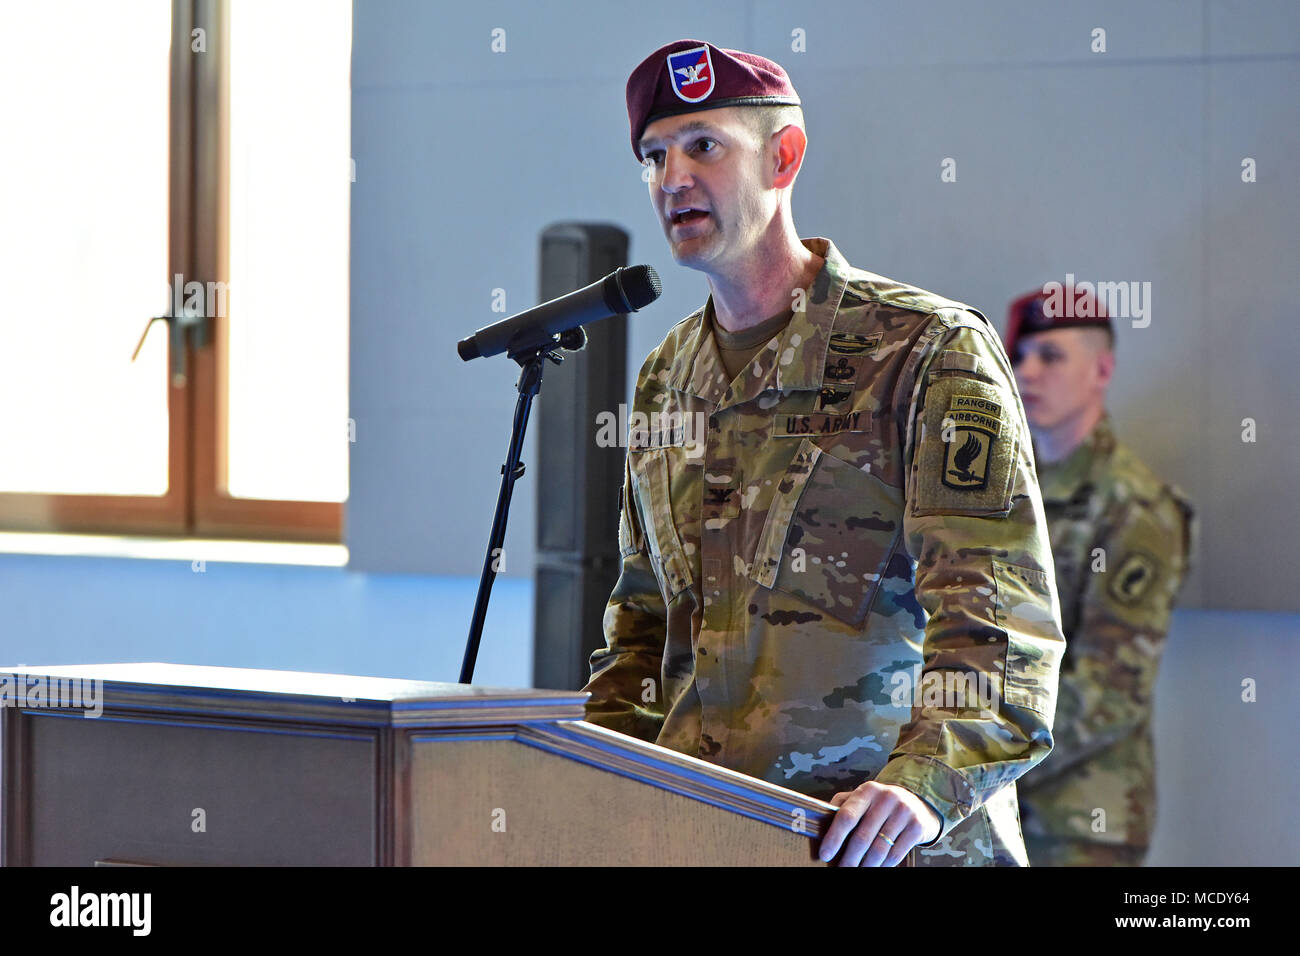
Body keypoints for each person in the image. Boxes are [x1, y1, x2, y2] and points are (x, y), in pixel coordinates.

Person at [582, 38, 1066, 867]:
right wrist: (586, 787)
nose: (672, 180)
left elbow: (999, 621)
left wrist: (922, 787)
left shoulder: (925, 350)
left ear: (785, 157)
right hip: (709, 838)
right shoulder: (668, 377)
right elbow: (641, 626)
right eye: (654, 156)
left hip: (892, 847)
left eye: (704, 146)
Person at [1002, 288, 1195, 866]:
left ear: (1102, 369)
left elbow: (1113, 692)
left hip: (1080, 820)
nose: (1027, 372)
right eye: (1020, 356)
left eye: (1050, 356)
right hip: (993, 802)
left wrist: (991, 756)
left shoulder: (1136, 508)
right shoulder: (1007, 490)